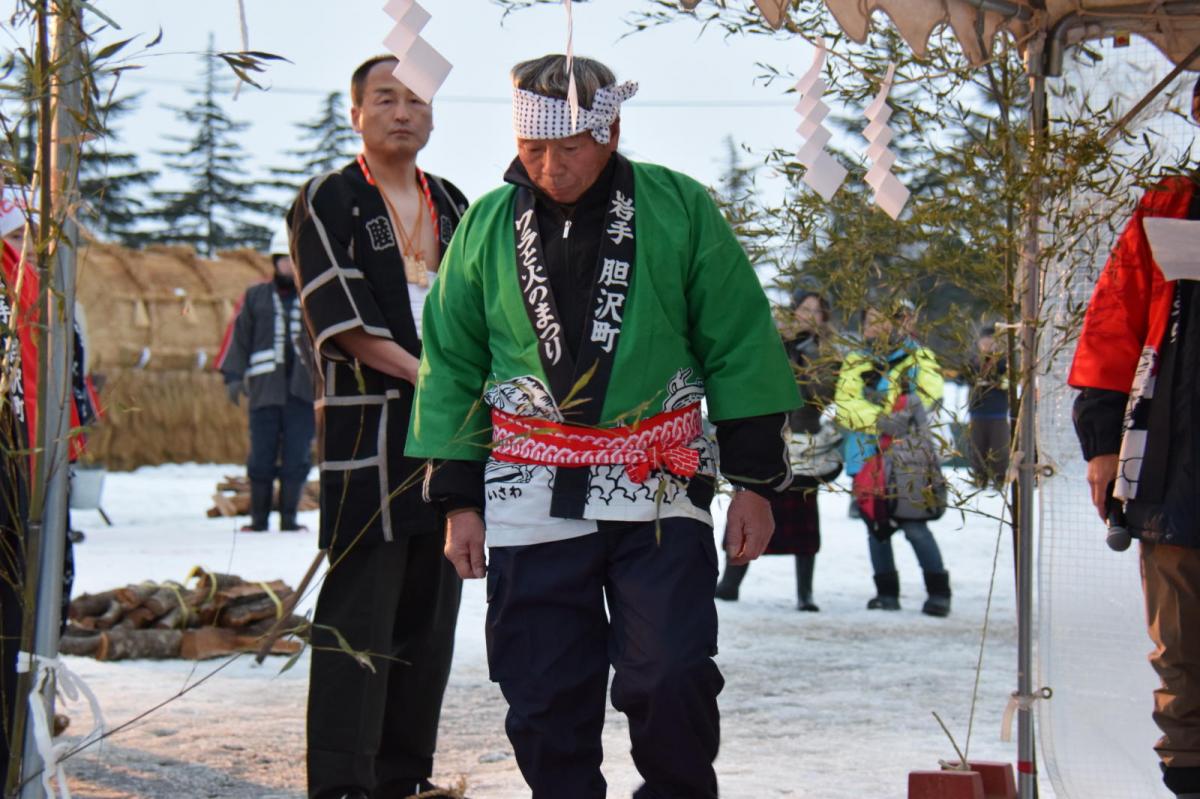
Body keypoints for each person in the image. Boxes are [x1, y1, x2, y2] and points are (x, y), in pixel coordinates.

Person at [406, 54, 800, 798]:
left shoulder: (678, 206)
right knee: (542, 691)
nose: (552, 166)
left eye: (572, 146)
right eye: (534, 148)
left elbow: (739, 340)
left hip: (658, 481)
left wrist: (753, 480)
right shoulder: (488, 224)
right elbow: (452, 361)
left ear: (611, 129)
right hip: (528, 490)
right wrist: (458, 497)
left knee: (672, 671)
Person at [288, 55, 468, 799]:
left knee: (430, 616)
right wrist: (437, 378)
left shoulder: (455, 202)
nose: (402, 111)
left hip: (451, 434)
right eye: (384, 98)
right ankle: (341, 784)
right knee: (359, 616)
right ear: (355, 113)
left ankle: (404, 777)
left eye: (416, 100)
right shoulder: (328, 197)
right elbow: (345, 323)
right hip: (372, 434)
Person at [1069, 84, 1200, 797]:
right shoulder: (1167, 206)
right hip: (1176, 460)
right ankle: (1188, 778)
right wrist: (1101, 444)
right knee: (1179, 646)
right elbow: (1111, 329)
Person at [716, 289, 842, 611]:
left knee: (804, 520)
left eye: (818, 311)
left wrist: (810, 365)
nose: (810, 315)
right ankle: (730, 583)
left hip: (806, 441)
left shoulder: (827, 351)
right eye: (806, 308)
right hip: (770, 436)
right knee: (753, 501)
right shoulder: (770, 339)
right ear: (794, 310)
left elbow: (823, 396)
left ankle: (805, 593)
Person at [835, 301, 951, 616]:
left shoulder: (919, 356)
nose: (877, 326)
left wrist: (900, 413)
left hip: (906, 457)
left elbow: (931, 394)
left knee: (914, 525)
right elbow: (846, 403)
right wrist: (880, 419)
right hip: (867, 455)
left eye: (884, 319)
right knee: (876, 524)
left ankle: (938, 592)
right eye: (870, 319)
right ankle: (886, 593)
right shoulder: (857, 360)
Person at [217, 222, 316, 532]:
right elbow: (240, 337)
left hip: (302, 393)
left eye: (292, 259)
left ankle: (289, 518)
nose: (287, 264)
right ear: (275, 261)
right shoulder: (256, 296)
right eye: (282, 259)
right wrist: (233, 376)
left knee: (297, 457)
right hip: (264, 393)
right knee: (261, 457)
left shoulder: (313, 296)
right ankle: (258, 520)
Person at [966, 323, 1009, 490]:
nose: (987, 344)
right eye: (984, 341)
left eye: (991, 341)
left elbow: (1008, 383)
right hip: (977, 411)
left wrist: (996, 382)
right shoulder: (974, 361)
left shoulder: (1004, 362)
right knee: (977, 446)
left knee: (999, 447)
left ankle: (999, 479)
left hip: (998, 411)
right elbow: (964, 378)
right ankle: (979, 478)